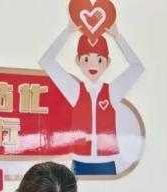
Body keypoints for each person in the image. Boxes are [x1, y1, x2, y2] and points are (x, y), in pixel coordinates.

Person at [39, 22, 144, 176]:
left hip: (107, 161)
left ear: (107, 63)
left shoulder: (112, 91)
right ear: (78, 60)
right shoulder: (75, 90)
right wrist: (67, 32)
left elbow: (137, 67)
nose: (93, 65)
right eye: (86, 59)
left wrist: (117, 36)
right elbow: (47, 61)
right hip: (80, 161)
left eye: (100, 60)